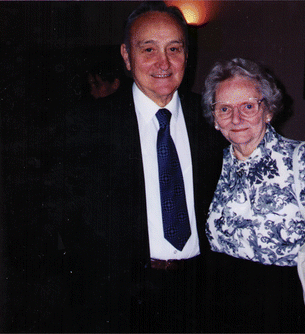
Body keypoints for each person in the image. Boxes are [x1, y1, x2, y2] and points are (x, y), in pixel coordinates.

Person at [61, 2, 223, 332]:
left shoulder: (213, 120)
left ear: (186, 55)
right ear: (126, 55)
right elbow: (65, 213)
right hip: (119, 297)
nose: (163, 62)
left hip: (199, 293)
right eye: (148, 48)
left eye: (174, 48)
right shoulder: (88, 123)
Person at [202, 58, 305, 333]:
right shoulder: (211, 164)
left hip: (284, 309)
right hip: (220, 307)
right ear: (215, 118)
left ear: (268, 110)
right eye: (225, 109)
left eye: (248, 106)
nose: (236, 119)